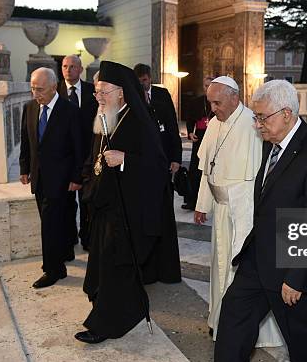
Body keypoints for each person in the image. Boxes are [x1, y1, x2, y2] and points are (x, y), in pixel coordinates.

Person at [214, 80, 307, 362]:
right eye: (255, 117)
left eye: (262, 117)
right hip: (259, 259)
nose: (257, 124)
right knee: (232, 325)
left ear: (286, 113)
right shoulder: (272, 145)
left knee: (303, 344)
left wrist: (297, 277)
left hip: (296, 267)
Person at [76, 61, 167, 343]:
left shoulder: (139, 122)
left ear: (121, 93)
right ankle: (128, 311)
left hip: (130, 213)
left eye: (104, 91)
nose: (98, 96)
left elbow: (158, 167)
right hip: (106, 209)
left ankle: (105, 325)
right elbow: (96, 160)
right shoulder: (107, 116)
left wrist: (126, 159)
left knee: (118, 270)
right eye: (97, 92)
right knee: (107, 268)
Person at [194, 76, 283, 346]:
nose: (213, 108)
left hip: (245, 208)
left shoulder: (252, 124)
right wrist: (202, 205)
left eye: (217, 102)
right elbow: (207, 168)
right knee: (220, 266)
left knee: (239, 267)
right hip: (222, 208)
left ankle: (241, 328)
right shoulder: (215, 124)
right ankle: (220, 319)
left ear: (235, 97)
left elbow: (262, 174)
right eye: (210, 102)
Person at [19, 67, 83, 288]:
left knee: (51, 224)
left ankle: (53, 270)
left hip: (63, 178)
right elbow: (26, 142)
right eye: (32, 89)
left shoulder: (70, 111)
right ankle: (64, 254)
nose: (35, 94)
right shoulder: (29, 108)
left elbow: (79, 148)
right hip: (39, 177)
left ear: (54, 87)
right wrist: (24, 168)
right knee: (53, 221)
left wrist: (77, 177)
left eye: (40, 90)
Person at [133, 63, 182, 284]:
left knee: (164, 213)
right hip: (144, 167)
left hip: (163, 163)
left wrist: (176, 158)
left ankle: (166, 264)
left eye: (144, 80)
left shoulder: (162, 94)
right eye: (139, 80)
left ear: (150, 78)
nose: (143, 84)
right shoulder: (133, 96)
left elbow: (172, 126)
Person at [58, 55, 98, 252]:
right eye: (65, 66)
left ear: (80, 69)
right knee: (66, 202)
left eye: (73, 66)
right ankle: (69, 236)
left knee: (86, 200)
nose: (68, 69)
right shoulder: (54, 91)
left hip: (87, 156)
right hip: (64, 158)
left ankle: (87, 237)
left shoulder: (92, 91)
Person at [183, 76, 215, 210]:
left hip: (214, 138)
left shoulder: (218, 102)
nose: (207, 88)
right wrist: (190, 132)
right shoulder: (195, 102)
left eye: (210, 85)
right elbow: (190, 120)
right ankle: (192, 200)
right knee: (195, 170)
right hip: (200, 137)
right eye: (205, 85)